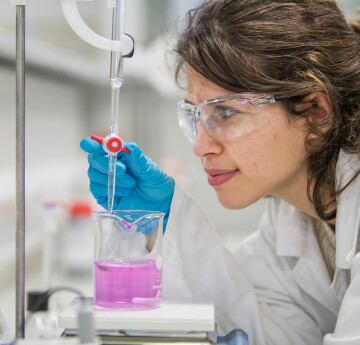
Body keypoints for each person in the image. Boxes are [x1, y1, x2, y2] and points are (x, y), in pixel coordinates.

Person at [80, 0, 360, 344]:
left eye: (225, 113)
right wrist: (164, 219)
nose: (200, 146)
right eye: (195, 115)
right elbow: (258, 330)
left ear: (315, 110)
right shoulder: (290, 223)